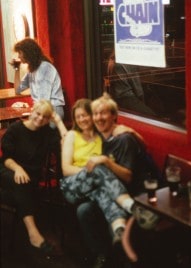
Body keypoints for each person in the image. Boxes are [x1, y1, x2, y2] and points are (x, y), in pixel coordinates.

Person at [76, 93, 160, 267]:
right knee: (83, 210)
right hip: (110, 192)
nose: (99, 118)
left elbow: (128, 176)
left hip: (133, 192)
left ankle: (122, 259)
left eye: (103, 113)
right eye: (96, 114)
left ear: (114, 116)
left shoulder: (124, 139)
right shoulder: (99, 139)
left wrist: (106, 162)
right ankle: (101, 254)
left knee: (108, 212)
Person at [60, 99, 135, 247]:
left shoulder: (100, 136)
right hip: (72, 186)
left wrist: (131, 131)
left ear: (92, 116)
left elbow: (118, 132)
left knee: (104, 195)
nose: (82, 119)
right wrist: (92, 169)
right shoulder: (72, 136)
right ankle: (130, 204)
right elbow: (66, 169)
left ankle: (119, 231)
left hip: (95, 185)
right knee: (99, 167)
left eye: (85, 115)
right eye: (78, 116)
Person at [0, 100, 67, 257]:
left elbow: (66, 142)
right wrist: (18, 169)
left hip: (30, 178)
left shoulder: (47, 133)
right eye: (38, 114)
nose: (40, 119)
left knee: (22, 185)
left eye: (45, 117)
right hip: (8, 169)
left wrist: (57, 121)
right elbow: (6, 158)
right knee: (22, 183)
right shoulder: (15, 129)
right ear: (32, 111)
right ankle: (33, 233)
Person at [11, 38, 65, 124]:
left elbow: (44, 100)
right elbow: (18, 89)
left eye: (20, 53)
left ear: (28, 52)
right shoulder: (33, 69)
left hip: (53, 111)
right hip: (42, 110)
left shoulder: (44, 68)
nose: (18, 56)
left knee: (25, 129)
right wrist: (17, 68)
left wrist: (31, 113)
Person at [105, 51, 156, 117]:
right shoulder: (126, 61)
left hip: (118, 97)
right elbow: (138, 90)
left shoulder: (114, 59)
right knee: (152, 116)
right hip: (126, 97)